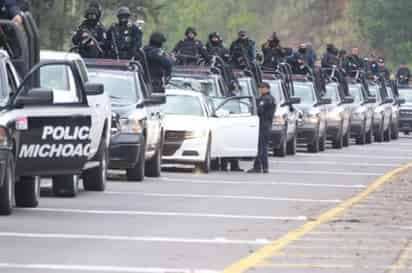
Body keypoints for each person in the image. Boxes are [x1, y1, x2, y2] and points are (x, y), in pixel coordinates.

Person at [248, 82, 276, 174]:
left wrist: (254, 106)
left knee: (261, 147)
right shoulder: (269, 98)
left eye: (262, 88)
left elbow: (259, 110)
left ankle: (260, 167)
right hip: (266, 125)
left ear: (267, 89)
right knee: (262, 147)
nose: (260, 89)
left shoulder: (266, 99)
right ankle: (263, 167)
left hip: (263, 125)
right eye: (260, 88)